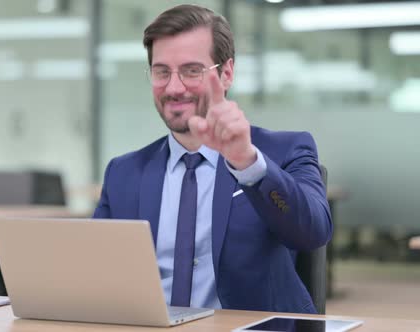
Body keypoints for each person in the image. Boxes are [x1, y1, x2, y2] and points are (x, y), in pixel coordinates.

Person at [93, 4, 332, 314]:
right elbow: (96, 271)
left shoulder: (285, 150)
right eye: (162, 71)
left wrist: (248, 163)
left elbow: (313, 232)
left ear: (226, 72)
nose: (174, 87)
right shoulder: (123, 172)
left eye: (192, 71)